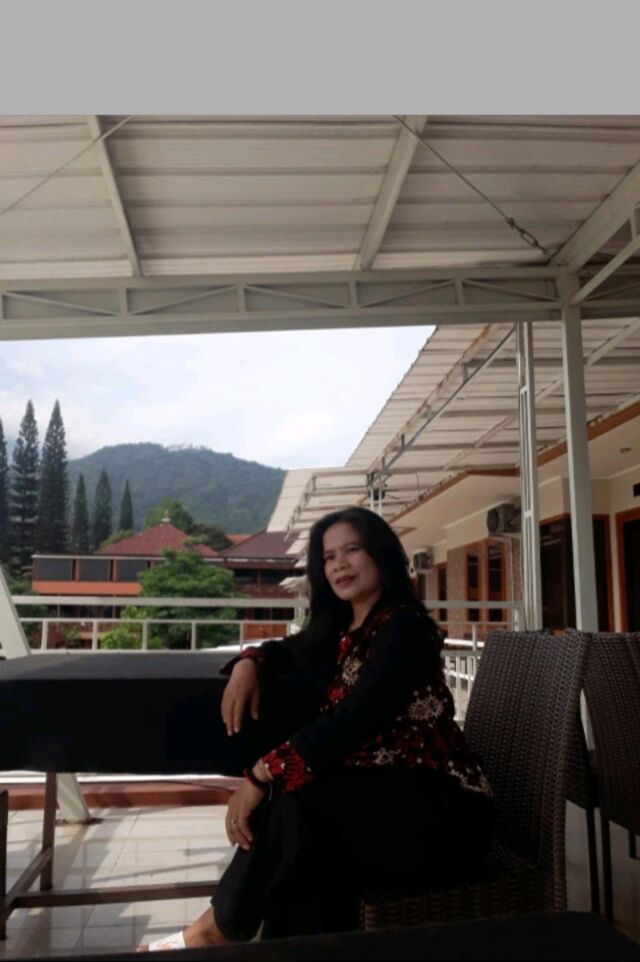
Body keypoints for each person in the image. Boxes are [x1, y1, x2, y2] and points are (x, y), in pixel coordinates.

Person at [140, 507, 494, 952]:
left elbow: (352, 721)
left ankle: (215, 931)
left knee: (297, 807)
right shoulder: (340, 630)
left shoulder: (403, 627)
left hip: (443, 811)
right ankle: (229, 934)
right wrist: (249, 662)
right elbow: (285, 650)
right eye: (328, 557)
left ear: (380, 554)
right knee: (302, 845)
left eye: (352, 550)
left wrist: (259, 775)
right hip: (380, 798)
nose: (339, 564)